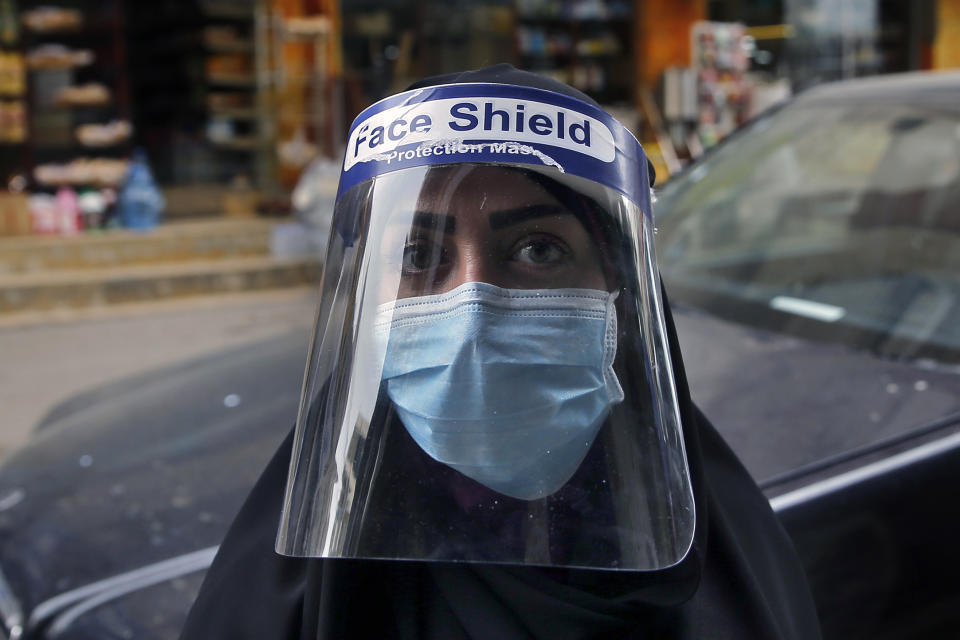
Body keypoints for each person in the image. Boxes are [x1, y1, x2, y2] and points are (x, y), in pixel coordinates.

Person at [179, 65, 822, 639]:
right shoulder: (290, 603)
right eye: (417, 255)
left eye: (538, 249)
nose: (473, 306)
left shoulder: (734, 581)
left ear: (621, 292)